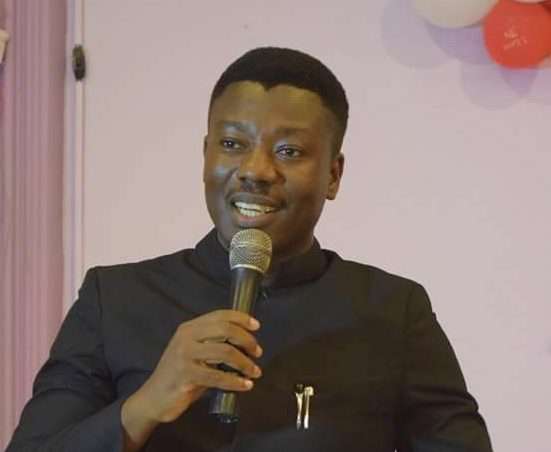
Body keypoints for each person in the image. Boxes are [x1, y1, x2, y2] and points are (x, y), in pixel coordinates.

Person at [6, 47, 493, 452]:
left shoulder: (392, 311)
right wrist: (146, 404)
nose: (256, 170)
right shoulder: (114, 299)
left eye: (289, 151)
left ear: (333, 175)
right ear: (206, 156)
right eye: (233, 143)